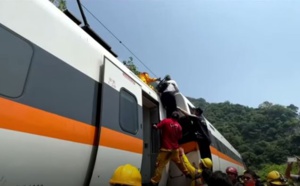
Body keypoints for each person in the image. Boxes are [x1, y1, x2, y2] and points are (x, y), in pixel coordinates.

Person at [151, 111, 189, 185]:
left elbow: (157, 127)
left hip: (165, 149)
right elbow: (179, 137)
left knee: (160, 166)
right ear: (178, 118)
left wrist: (154, 126)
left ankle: (154, 181)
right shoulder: (179, 126)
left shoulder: (166, 121)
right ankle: (186, 172)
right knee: (179, 162)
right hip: (175, 149)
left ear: (171, 116)